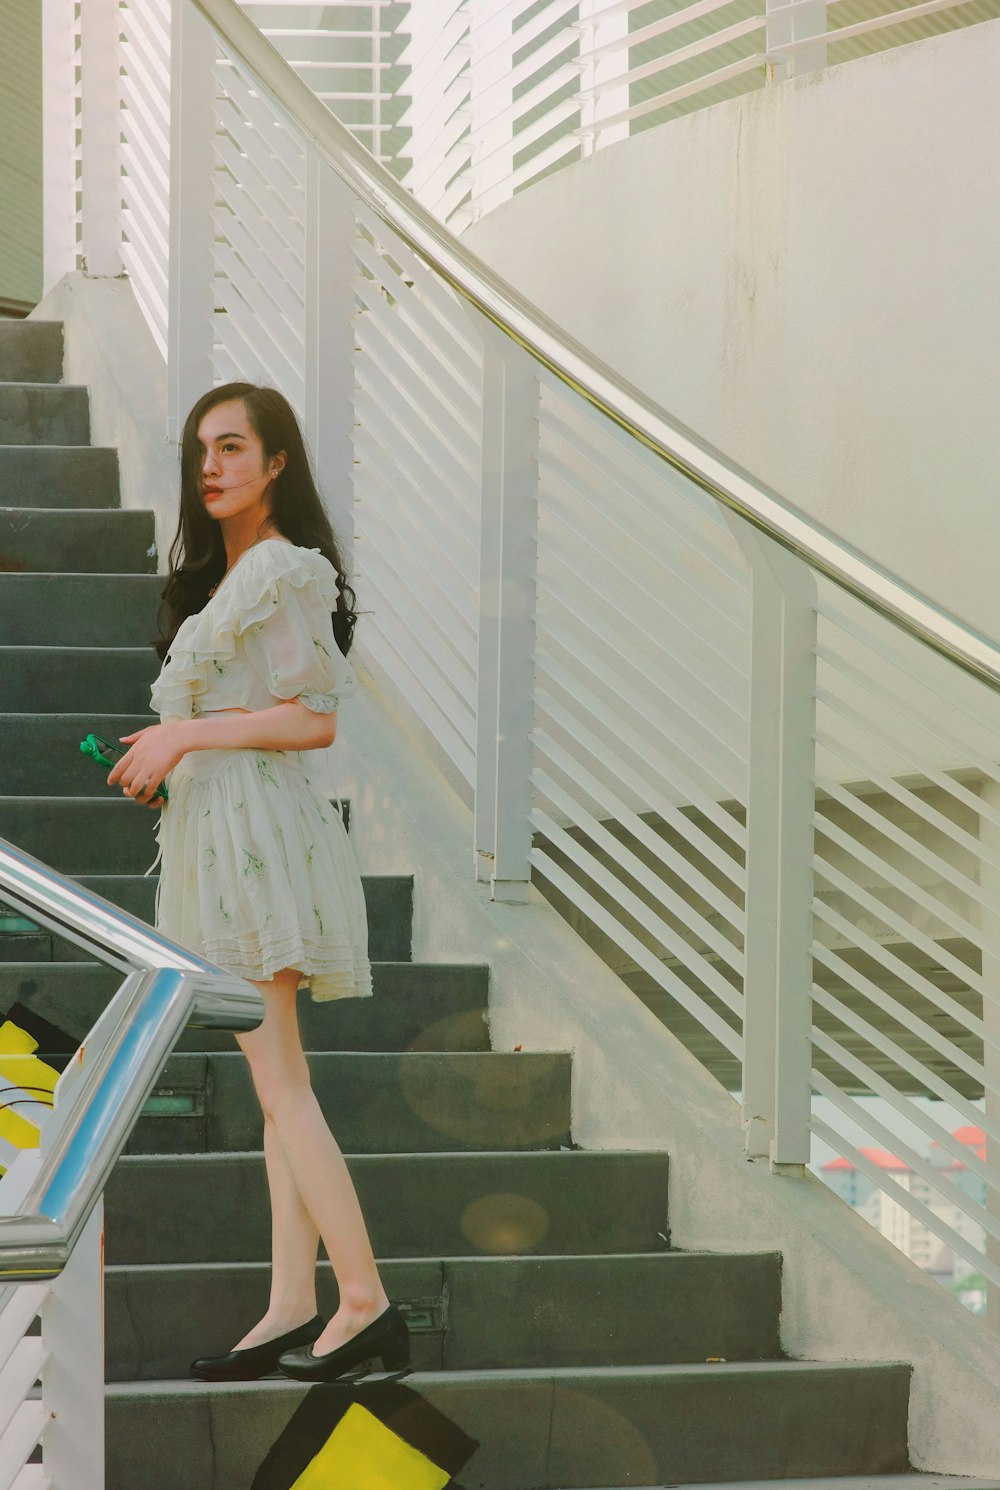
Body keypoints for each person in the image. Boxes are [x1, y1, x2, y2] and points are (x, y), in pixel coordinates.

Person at [106, 382, 410, 1385]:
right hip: (221, 826)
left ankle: (362, 1298)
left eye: (233, 446)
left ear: (277, 461)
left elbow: (313, 715)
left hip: (257, 838)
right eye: (201, 448)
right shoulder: (232, 576)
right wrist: (174, 762)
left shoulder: (282, 568)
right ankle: (292, 1298)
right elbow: (253, 714)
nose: (212, 465)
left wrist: (186, 733)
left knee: (280, 1083)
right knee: (278, 1083)